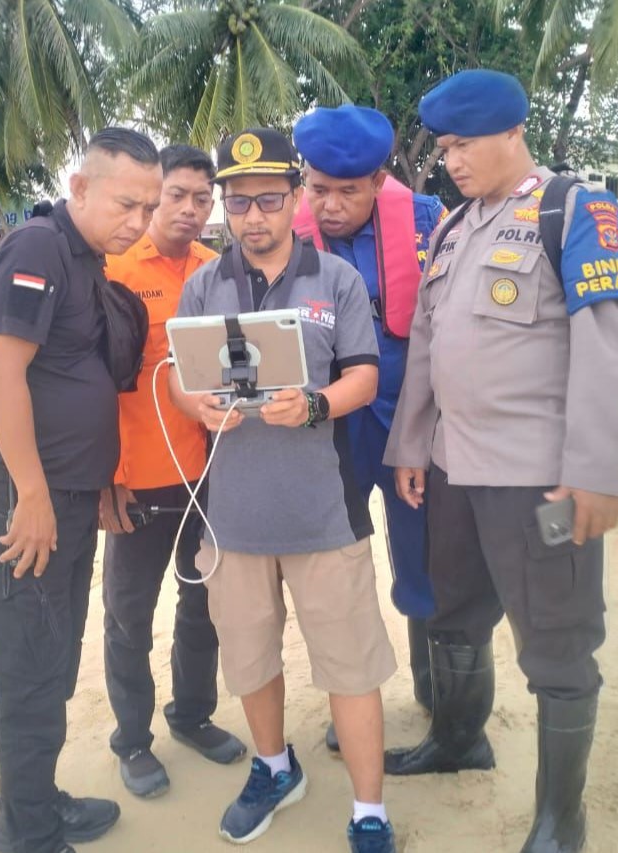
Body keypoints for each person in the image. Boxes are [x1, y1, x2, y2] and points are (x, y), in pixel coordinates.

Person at [382, 70, 618, 853]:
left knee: (559, 638)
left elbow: (606, 341)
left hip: (538, 477)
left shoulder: (574, 208)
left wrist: (596, 473)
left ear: (511, 133)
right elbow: (429, 343)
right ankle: (461, 738)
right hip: (456, 469)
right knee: (454, 612)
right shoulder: (456, 227)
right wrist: (411, 445)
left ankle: (563, 818)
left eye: (465, 145)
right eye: (445, 148)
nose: (451, 161)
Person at [170, 128, 399, 853]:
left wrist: (316, 404)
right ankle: (274, 767)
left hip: (323, 515)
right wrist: (192, 403)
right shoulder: (206, 282)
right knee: (250, 656)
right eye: (238, 204)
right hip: (234, 517)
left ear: (294, 197)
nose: (254, 217)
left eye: (269, 199)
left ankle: (370, 811)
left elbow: (366, 375)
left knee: (351, 666)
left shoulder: (335, 281)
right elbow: (179, 375)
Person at [0, 127, 163, 853]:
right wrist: (35, 495)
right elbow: (0, 374)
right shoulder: (38, 248)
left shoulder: (86, 262)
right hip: (25, 502)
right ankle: (25, 831)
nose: (137, 222)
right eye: (125, 203)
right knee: (27, 671)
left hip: (74, 498)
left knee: (52, 662)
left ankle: (37, 801)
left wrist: (99, 484)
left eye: (149, 207)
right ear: (80, 187)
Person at [292, 104, 447, 752]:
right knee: (341, 566)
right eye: (317, 187)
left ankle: (441, 696)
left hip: (411, 417)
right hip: (332, 430)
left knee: (425, 560)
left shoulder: (428, 220)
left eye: (346, 191)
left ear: (380, 180)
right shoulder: (288, 235)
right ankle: (355, 701)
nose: (328, 204)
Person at [98, 144, 246, 798]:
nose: (189, 209)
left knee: (203, 605)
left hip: (208, 476)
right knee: (128, 615)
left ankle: (192, 715)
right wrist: (107, 477)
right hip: (135, 479)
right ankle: (132, 740)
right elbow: (91, 385)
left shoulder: (219, 272)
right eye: (177, 195)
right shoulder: (113, 271)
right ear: (154, 194)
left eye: (201, 198)